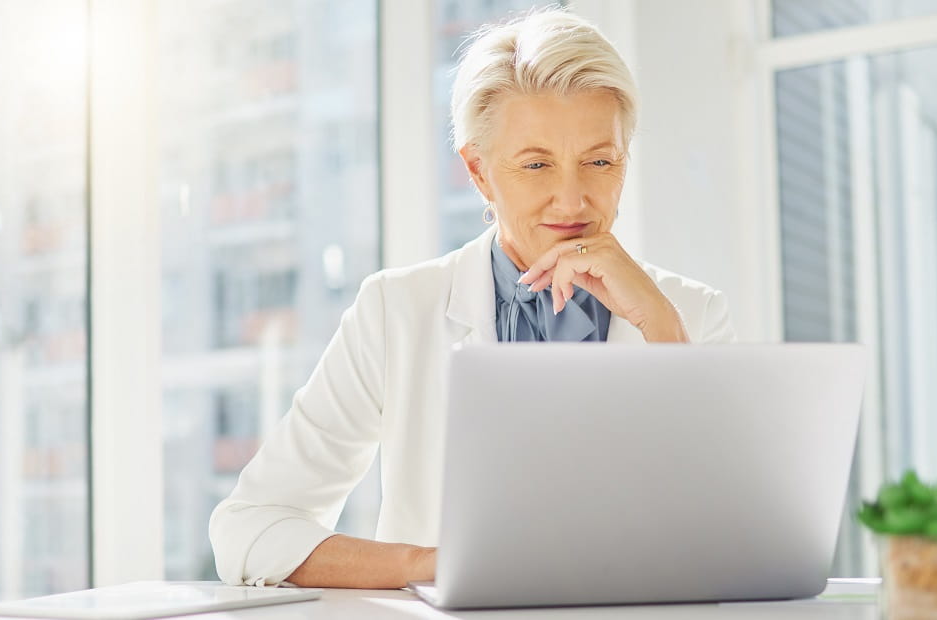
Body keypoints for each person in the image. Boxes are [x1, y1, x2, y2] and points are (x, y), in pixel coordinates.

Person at [209, 8, 735, 589]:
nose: (571, 199)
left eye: (600, 161)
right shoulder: (396, 311)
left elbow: (738, 537)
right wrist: (427, 565)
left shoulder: (691, 316)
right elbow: (248, 529)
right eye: (536, 165)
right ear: (479, 171)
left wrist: (660, 328)